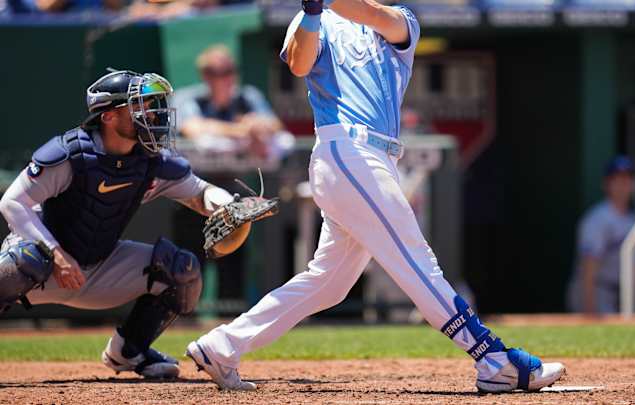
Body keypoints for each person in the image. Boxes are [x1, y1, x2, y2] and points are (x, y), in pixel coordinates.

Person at [186, 0, 565, 393]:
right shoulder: (312, 19)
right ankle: (492, 358)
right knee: (417, 260)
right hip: (346, 150)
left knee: (329, 282)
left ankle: (223, 346)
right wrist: (313, 12)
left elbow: (373, 15)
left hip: (372, 158)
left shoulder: (401, 19)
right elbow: (298, 65)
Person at [0, 70, 239, 379]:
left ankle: (128, 351)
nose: (150, 114)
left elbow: (200, 192)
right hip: (43, 268)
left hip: (98, 266)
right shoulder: (72, 154)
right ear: (109, 116)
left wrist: (230, 207)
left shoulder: (150, 160)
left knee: (182, 270)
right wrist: (57, 255)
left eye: (150, 105)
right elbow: (13, 203)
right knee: (28, 258)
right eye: (139, 107)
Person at [567, 156, 635, 314]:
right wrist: (589, 311)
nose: (623, 184)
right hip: (594, 290)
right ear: (606, 184)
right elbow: (588, 270)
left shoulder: (633, 220)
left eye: (628, 179)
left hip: (615, 295)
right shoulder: (598, 219)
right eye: (617, 179)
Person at [177, 44, 293, 161]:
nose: (227, 78)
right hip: (201, 168)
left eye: (230, 71)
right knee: (207, 142)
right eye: (218, 72)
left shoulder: (248, 95)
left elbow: (276, 124)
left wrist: (258, 125)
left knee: (284, 140)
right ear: (205, 76)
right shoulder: (189, 97)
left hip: (248, 162)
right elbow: (192, 129)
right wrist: (241, 130)